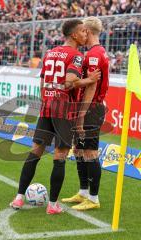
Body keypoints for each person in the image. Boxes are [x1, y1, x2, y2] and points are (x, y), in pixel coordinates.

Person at [10, 19, 100, 214]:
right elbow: (69, 83)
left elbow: (42, 81)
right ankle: (52, 205)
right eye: (83, 32)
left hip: (47, 107)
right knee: (60, 156)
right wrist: (89, 80)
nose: (86, 35)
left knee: (35, 151)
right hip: (63, 109)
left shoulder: (50, 53)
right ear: (74, 35)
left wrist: (46, 100)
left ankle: (18, 198)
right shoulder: (76, 56)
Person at [62, 16, 109, 210]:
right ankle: (83, 192)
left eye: (83, 30)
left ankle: (94, 198)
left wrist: (81, 114)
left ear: (87, 31)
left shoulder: (94, 54)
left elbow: (91, 87)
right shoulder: (95, 52)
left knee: (89, 152)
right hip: (89, 107)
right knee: (79, 150)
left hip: (91, 108)